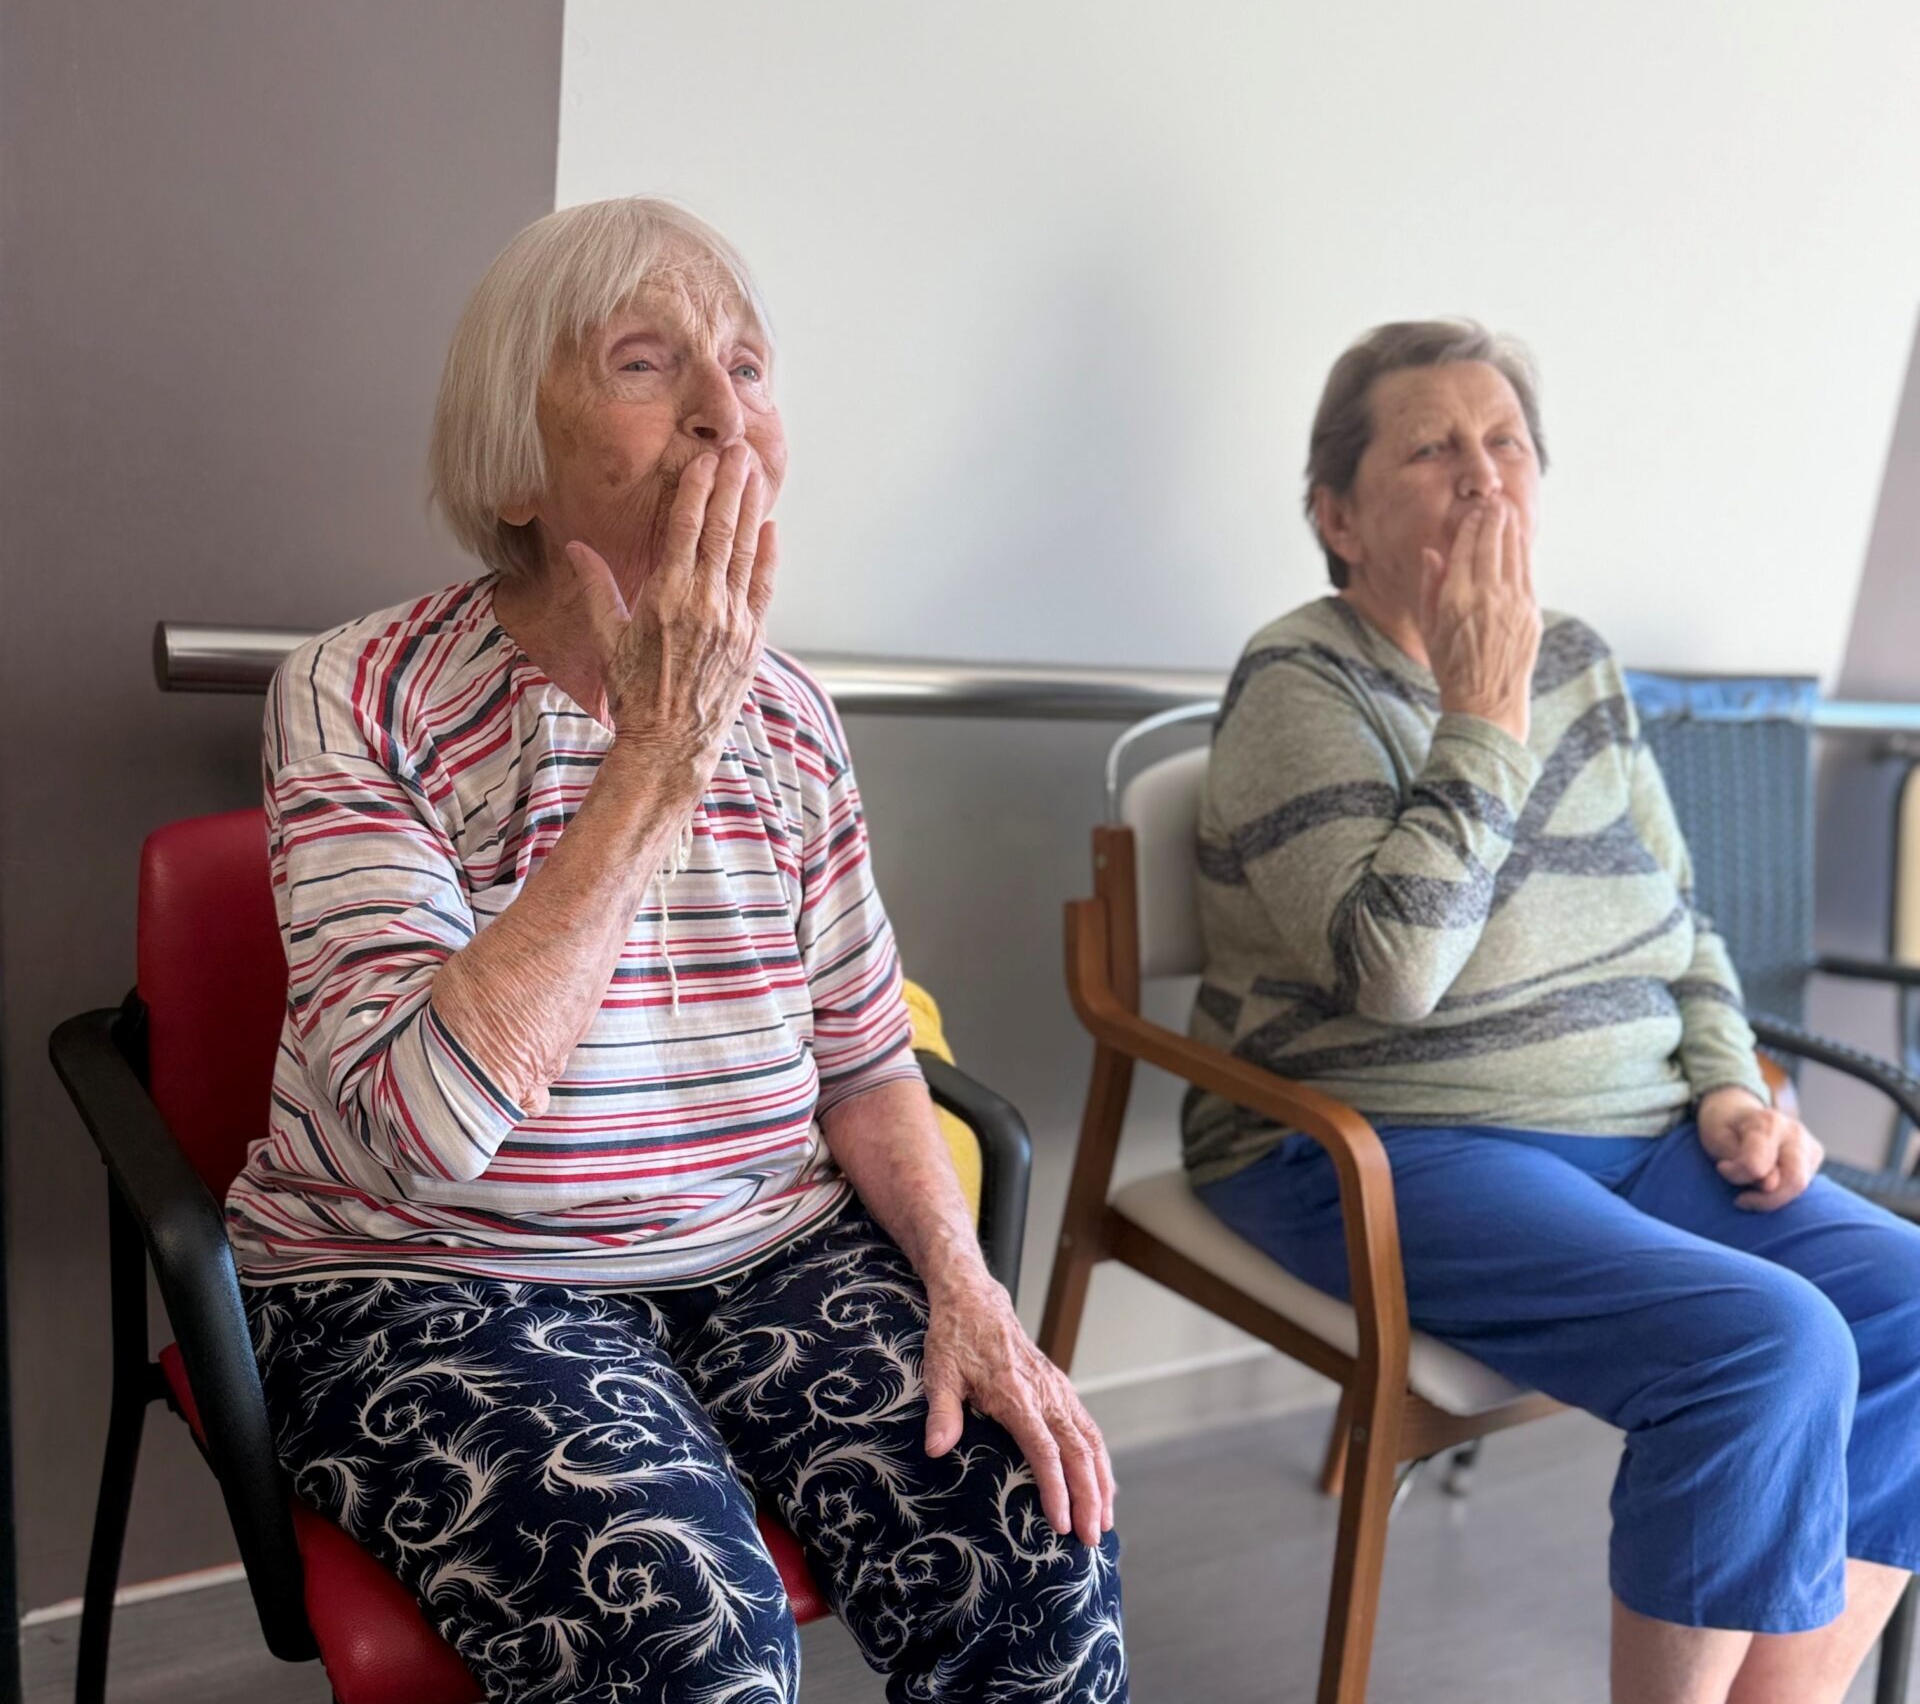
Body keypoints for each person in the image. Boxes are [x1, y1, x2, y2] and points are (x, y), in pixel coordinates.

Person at [228, 197, 1126, 1704]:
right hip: (433, 1273)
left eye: (749, 368)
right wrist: (654, 755)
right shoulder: (354, 692)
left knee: (1039, 1549)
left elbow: (867, 1060)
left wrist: (967, 1286)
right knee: (686, 1640)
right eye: (646, 364)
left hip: (765, 1246)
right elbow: (421, 1129)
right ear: (514, 460)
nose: (724, 412)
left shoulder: (795, 716)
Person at [1186, 318, 1920, 1704]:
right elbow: (1394, 976)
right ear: (1337, 517)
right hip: (1391, 1135)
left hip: (1643, 1126)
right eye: (1432, 447)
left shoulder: (1580, 658)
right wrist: (1482, 708)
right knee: (1768, 1347)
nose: (1483, 474)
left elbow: (1682, 919)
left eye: (1507, 441)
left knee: (1912, 1309)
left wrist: (1729, 1081)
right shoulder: (1300, 680)